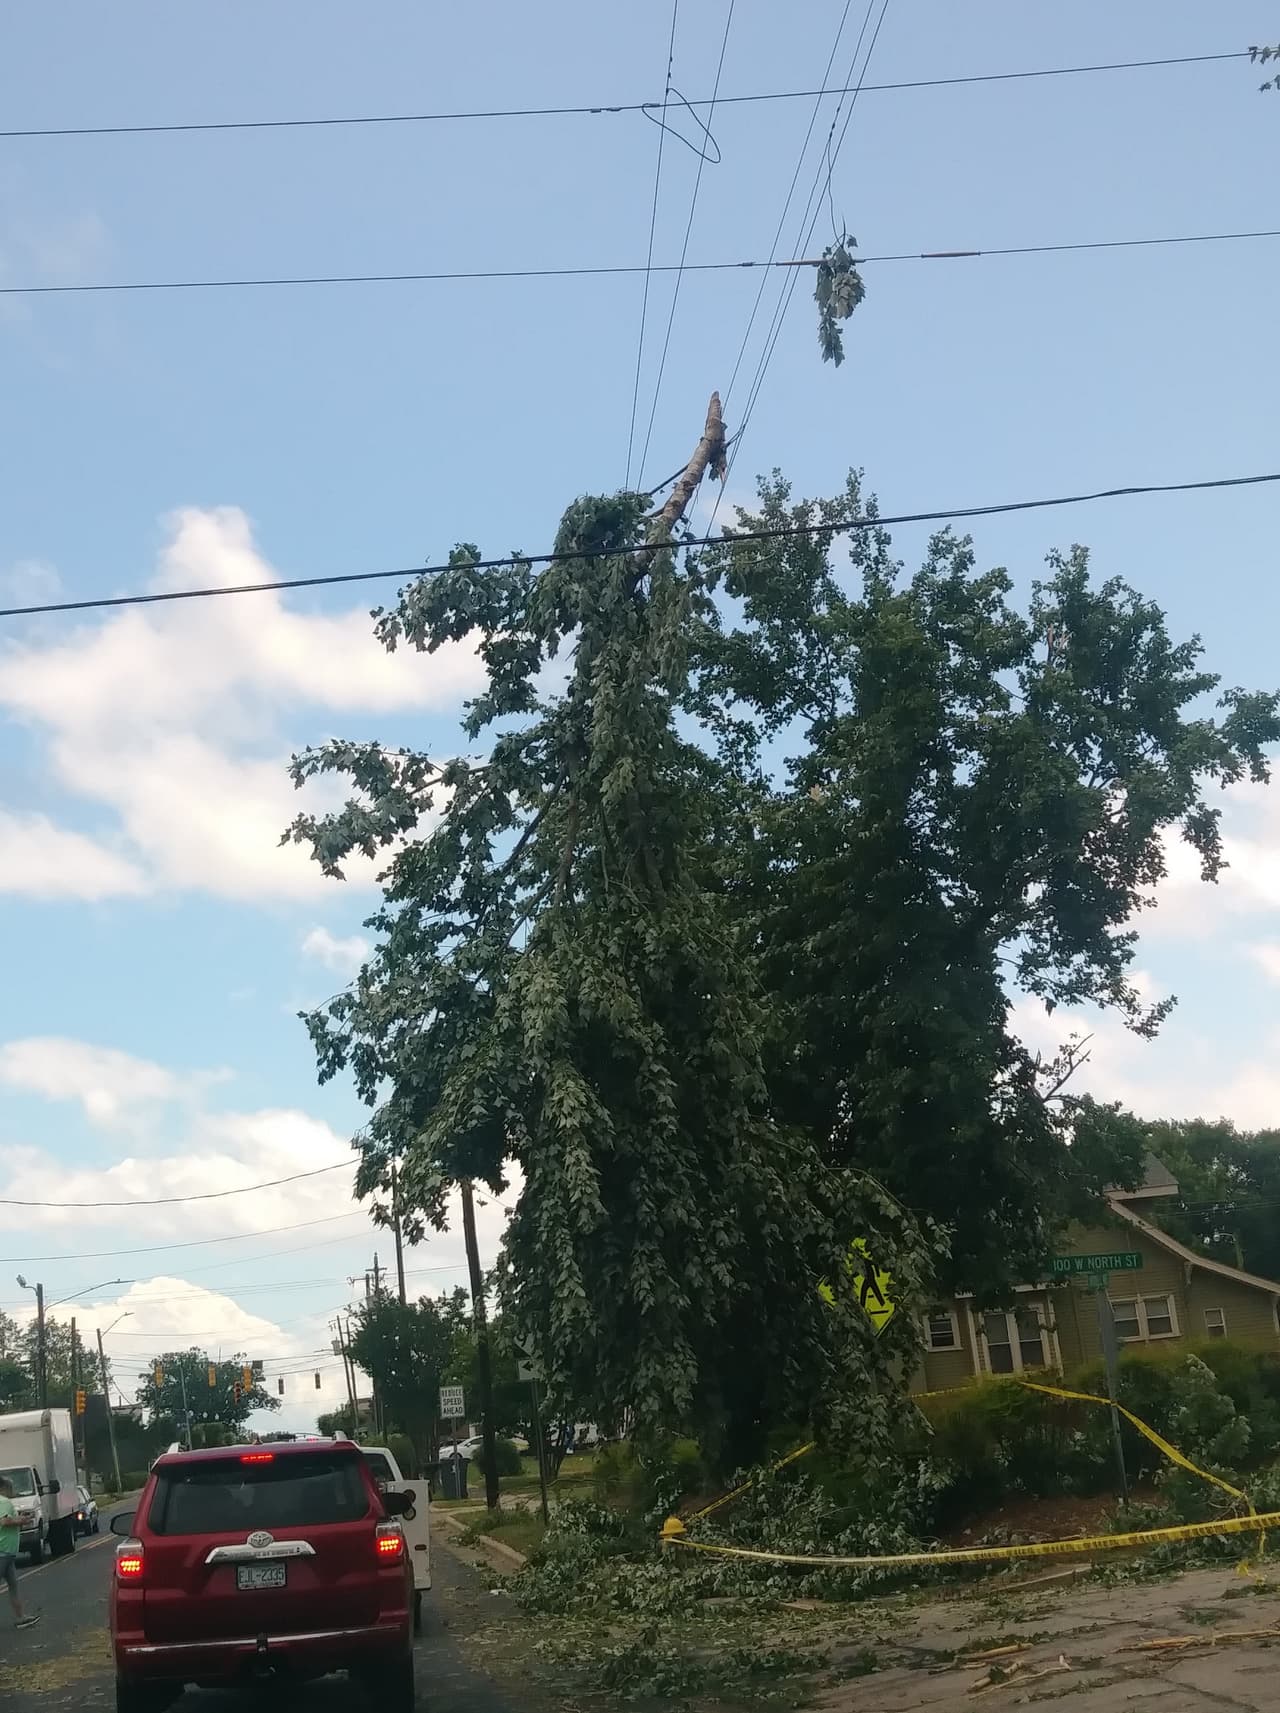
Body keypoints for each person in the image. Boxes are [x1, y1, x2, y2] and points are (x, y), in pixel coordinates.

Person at [0, 1477, 40, 1629]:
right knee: (12, 1585)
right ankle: (20, 1617)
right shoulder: (4, 1501)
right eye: (11, 1488)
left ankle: (21, 1617)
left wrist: (20, 1519)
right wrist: (21, 1520)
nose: (13, 1492)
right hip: (3, 1550)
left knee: (13, 1585)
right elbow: (4, 1522)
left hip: (8, 1552)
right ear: (4, 1488)